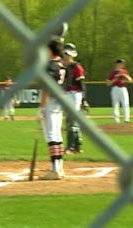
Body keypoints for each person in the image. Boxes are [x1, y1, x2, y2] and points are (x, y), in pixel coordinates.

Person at [38, 40, 67, 180]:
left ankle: (55, 170)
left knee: (51, 135)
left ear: (50, 50)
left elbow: (46, 87)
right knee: (57, 134)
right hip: (60, 101)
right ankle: (59, 168)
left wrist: (42, 107)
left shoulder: (49, 65)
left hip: (50, 101)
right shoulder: (62, 65)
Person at [63, 43, 88, 155]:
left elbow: (82, 84)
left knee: (71, 119)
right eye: (65, 54)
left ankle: (71, 147)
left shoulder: (77, 67)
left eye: (67, 54)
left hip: (75, 94)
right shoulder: (63, 67)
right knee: (72, 120)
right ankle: (77, 146)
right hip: (67, 94)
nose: (65, 56)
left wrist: (84, 100)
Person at [106, 59, 133, 123]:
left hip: (123, 88)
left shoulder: (125, 71)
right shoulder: (112, 72)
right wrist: (116, 78)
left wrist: (125, 76)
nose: (122, 65)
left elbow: (131, 80)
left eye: (123, 64)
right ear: (117, 64)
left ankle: (126, 119)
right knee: (115, 104)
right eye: (121, 63)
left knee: (126, 103)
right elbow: (108, 83)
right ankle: (116, 120)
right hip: (115, 88)